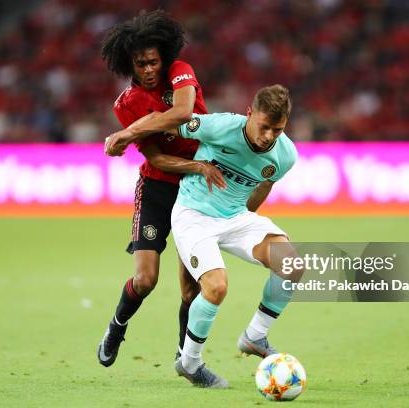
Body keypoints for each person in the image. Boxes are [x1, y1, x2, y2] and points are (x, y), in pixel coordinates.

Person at [97, 10, 226, 368]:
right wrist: (197, 165)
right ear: (129, 64)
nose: (149, 69)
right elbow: (157, 158)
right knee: (145, 279)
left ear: (163, 58)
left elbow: (184, 111)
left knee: (190, 287)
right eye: (140, 64)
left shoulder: (180, 70)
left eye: (153, 61)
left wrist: (128, 133)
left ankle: (184, 356)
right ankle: (116, 327)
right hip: (158, 186)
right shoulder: (126, 104)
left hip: (196, 192)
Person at [167, 84, 299, 388]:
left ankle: (254, 337)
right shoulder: (221, 125)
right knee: (216, 287)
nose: (268, 136)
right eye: (263, 126)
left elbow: (265, 183)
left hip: (236, 218)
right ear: (249, 114)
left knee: (291, 263)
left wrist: (247, 218)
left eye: (277, 130)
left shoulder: (286, 155)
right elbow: (171, 127)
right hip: (194, 215)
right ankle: (189, 363)